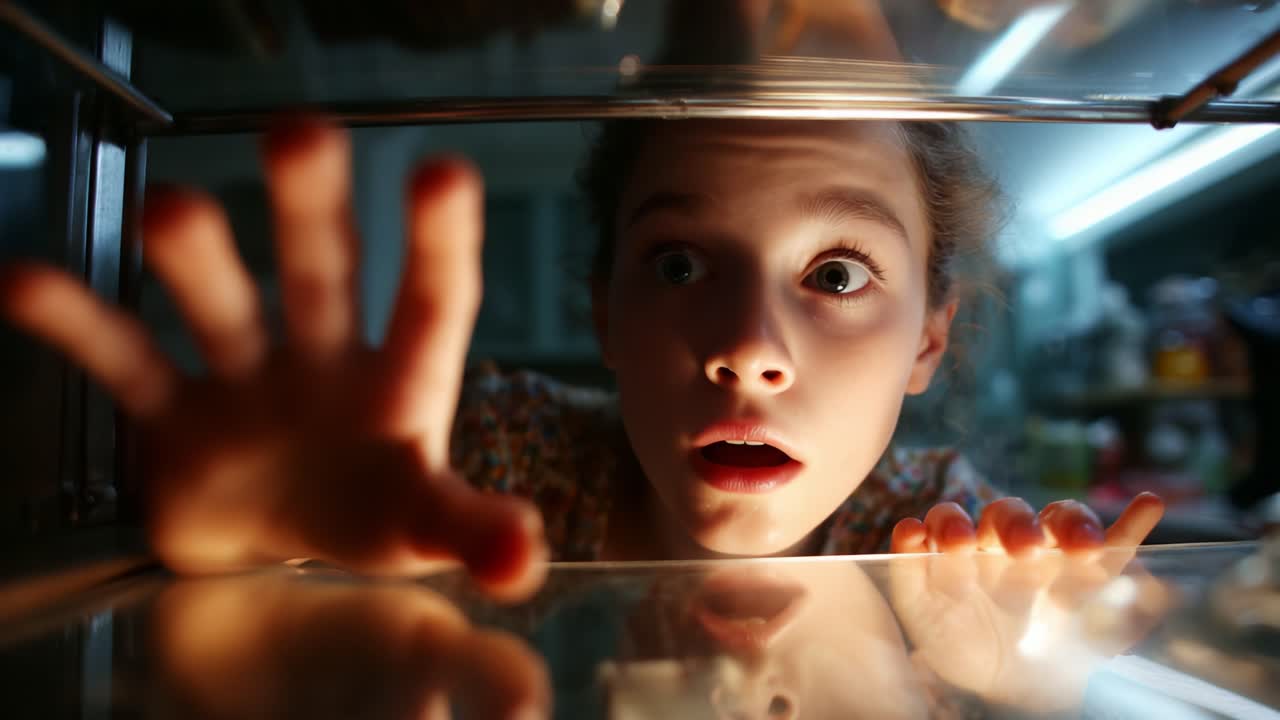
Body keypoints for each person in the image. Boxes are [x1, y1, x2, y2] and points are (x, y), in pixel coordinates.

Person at [0, 113, 1163, 597]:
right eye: (675, 264)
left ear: (928, 336)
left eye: (836, 274)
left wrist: (1025, 628)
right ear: (601, 307)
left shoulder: (927, 529)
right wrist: (244, 535)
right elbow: (274, 503)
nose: (748, 352)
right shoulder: (488, 452)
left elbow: (1008, 640)